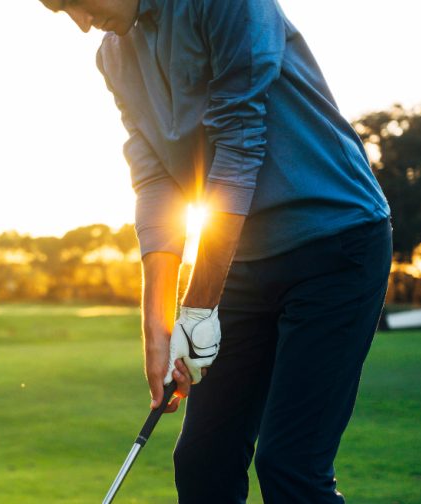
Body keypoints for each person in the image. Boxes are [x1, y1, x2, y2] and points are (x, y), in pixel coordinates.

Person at [39, 0, 393, 502]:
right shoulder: (114, 57)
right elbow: (156, 181)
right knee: (204, 459)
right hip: (242, 263)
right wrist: (157, 330)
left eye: (75, 1)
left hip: (335, 244)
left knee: (290, 465)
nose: (79, 22)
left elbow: (239, 143)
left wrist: (199, 304)